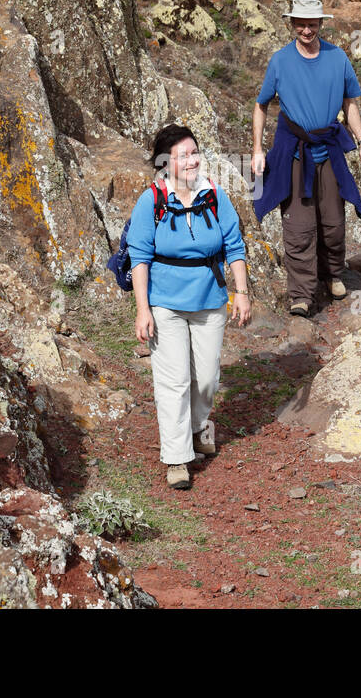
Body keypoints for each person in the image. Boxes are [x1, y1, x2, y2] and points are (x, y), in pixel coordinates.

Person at [128, 124, 251, 490]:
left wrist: (241, 291)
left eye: (195, 152)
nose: (193, 160)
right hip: (164, 301)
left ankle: (199, 428)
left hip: (210, 298)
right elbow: (139, 256)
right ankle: (177, 458)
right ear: (166, 163)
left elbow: (234, 244)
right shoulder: (151, 200)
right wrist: (142, 308)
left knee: (207, 378)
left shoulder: (214, 195)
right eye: (184, 155)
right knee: (174, 380)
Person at [251, 0, 361, 317]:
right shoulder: (280, 61)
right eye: (301, 23)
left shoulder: (338, 58)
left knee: (333, 222)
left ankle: (333, 273)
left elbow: (351, 105)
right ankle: (301, 294)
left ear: (321, 23)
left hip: (329, 147)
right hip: (294, 150)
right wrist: (258, 150)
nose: (306, 29)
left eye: (312, 23)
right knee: (299, 226)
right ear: (292, 24)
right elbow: (260, 105)